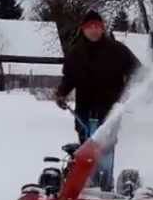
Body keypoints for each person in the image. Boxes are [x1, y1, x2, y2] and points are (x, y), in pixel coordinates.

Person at [55, 10, 141, 190]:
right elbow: (69, 78)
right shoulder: (76, 53)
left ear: (102, 28)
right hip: (84, 109)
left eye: (97, 26)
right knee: (86, 146)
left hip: (109, 110)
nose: (94, 30)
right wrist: (61, 94)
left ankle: (105, 184)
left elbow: (138, 71)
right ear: (83, 29)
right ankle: (86, 184)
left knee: (106, 149)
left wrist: (130, 91)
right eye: (89, 27)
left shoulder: (117, 50)